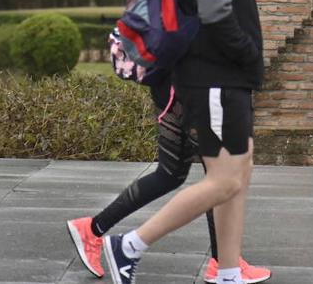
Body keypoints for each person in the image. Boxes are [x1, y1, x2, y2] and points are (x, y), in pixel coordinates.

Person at [101, 0, 281, 284]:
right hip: (215, 76)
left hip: (223, 77)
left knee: (241, 168)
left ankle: (230, 270)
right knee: (223, 180)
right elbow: (216, 13)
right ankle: (128, 246)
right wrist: (248, 54)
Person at [65, 74, 271, 282]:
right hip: (194, 89)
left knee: (170, 173)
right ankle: (220, 262)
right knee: (219, 177)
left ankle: (92, 228)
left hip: (169, 88)